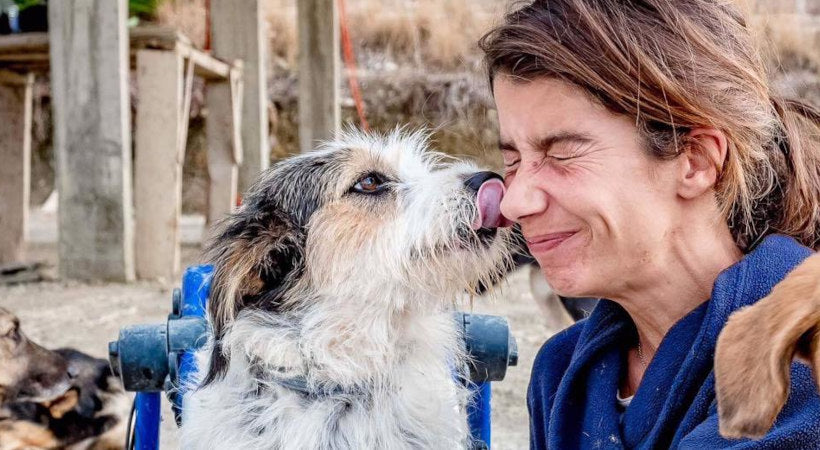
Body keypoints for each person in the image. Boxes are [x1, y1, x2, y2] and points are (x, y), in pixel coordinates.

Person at [478, 0, 820, 448]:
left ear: (696, 161)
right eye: (513, 162)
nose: (516, 201)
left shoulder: (802, 353)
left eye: (561, 153)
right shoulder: (562, 375)